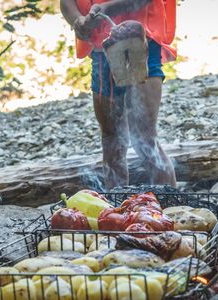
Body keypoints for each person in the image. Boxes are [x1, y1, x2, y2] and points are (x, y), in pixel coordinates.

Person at [60, 0, 177, 188]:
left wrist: (110, 8)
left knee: (145, 136)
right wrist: (77, 21)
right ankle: (117, 210)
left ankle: (171, 208)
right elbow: (66, 2)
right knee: (111, 139)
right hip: (101, 48)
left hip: (141, 39)